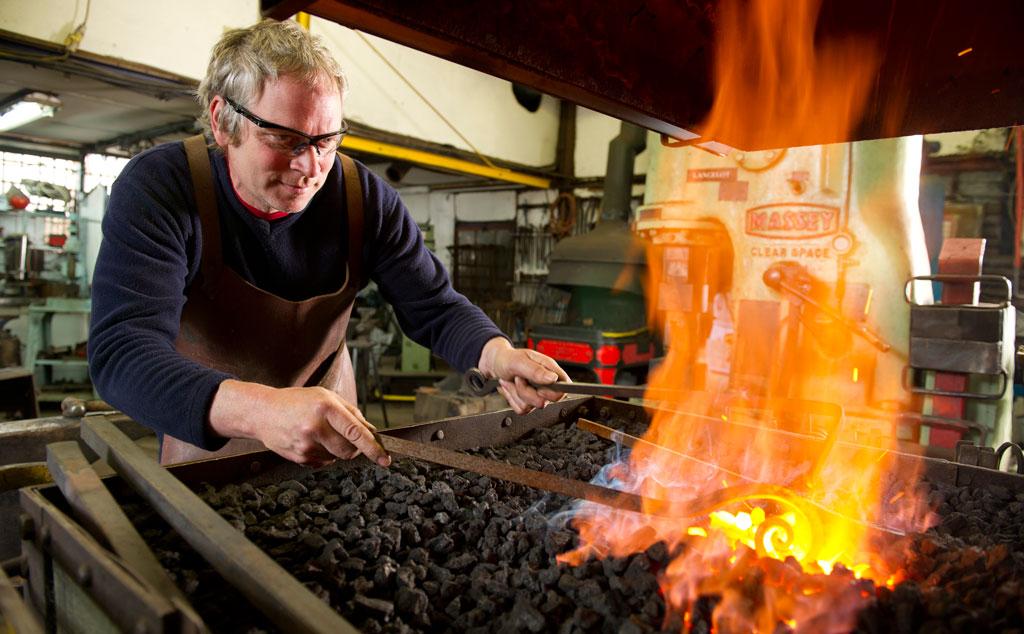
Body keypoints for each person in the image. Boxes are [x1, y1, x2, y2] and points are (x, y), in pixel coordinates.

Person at [88, 19, 569, 467]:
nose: (310, 167)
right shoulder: (162, 188)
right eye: (284, 139)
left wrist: (496, 354)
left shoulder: (363, 198)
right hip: (211, 437)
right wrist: (262, 411)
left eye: (326, 141)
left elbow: (434, 305)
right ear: (222, 121)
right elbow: (123, 352)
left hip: (333, 431)